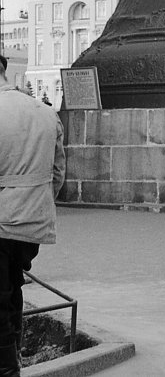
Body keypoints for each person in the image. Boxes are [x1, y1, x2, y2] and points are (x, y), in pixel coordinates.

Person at [0, 54, 65, 376]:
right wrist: (35, 202)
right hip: (31, 222)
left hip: (0, 220)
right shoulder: (45, 112)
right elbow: (57, 173)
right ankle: (16, 356)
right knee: (12, 289)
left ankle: (8, 368)